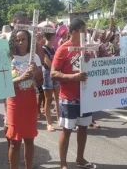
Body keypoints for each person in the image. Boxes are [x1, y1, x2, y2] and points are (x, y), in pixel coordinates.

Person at [51, 19, 97, 169]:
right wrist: (72, 77)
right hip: (68, 98)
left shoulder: (86, 49)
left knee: (83, 127)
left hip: (85, 97)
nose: (86, 34)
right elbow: (53, 74)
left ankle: (80, 158)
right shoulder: (63, 49)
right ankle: (63, 163)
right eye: (83, 31)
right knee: (67, 130)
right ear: (75, 32)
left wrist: (90, 60)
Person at [7, 29, 43, 169]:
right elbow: (3, 83)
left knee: (29, 140)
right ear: (13, 41)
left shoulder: (34, 57)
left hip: (30, 100)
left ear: (29, 41)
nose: (21, 42)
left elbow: (40, 82)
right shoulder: (9, 58)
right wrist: (21, 78)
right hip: (14, 101)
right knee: (14, 142)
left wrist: (36, 72)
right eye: (17, 39)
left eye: (24, 39)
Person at [42, 26, 60, 132]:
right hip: (48, 74)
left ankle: (59, 119)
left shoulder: (53, 48)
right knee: (48, 99)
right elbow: (47, 62)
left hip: (55, 73)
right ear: (52, 36)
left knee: (57, 99)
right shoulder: (43, 49)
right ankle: (49, 123)